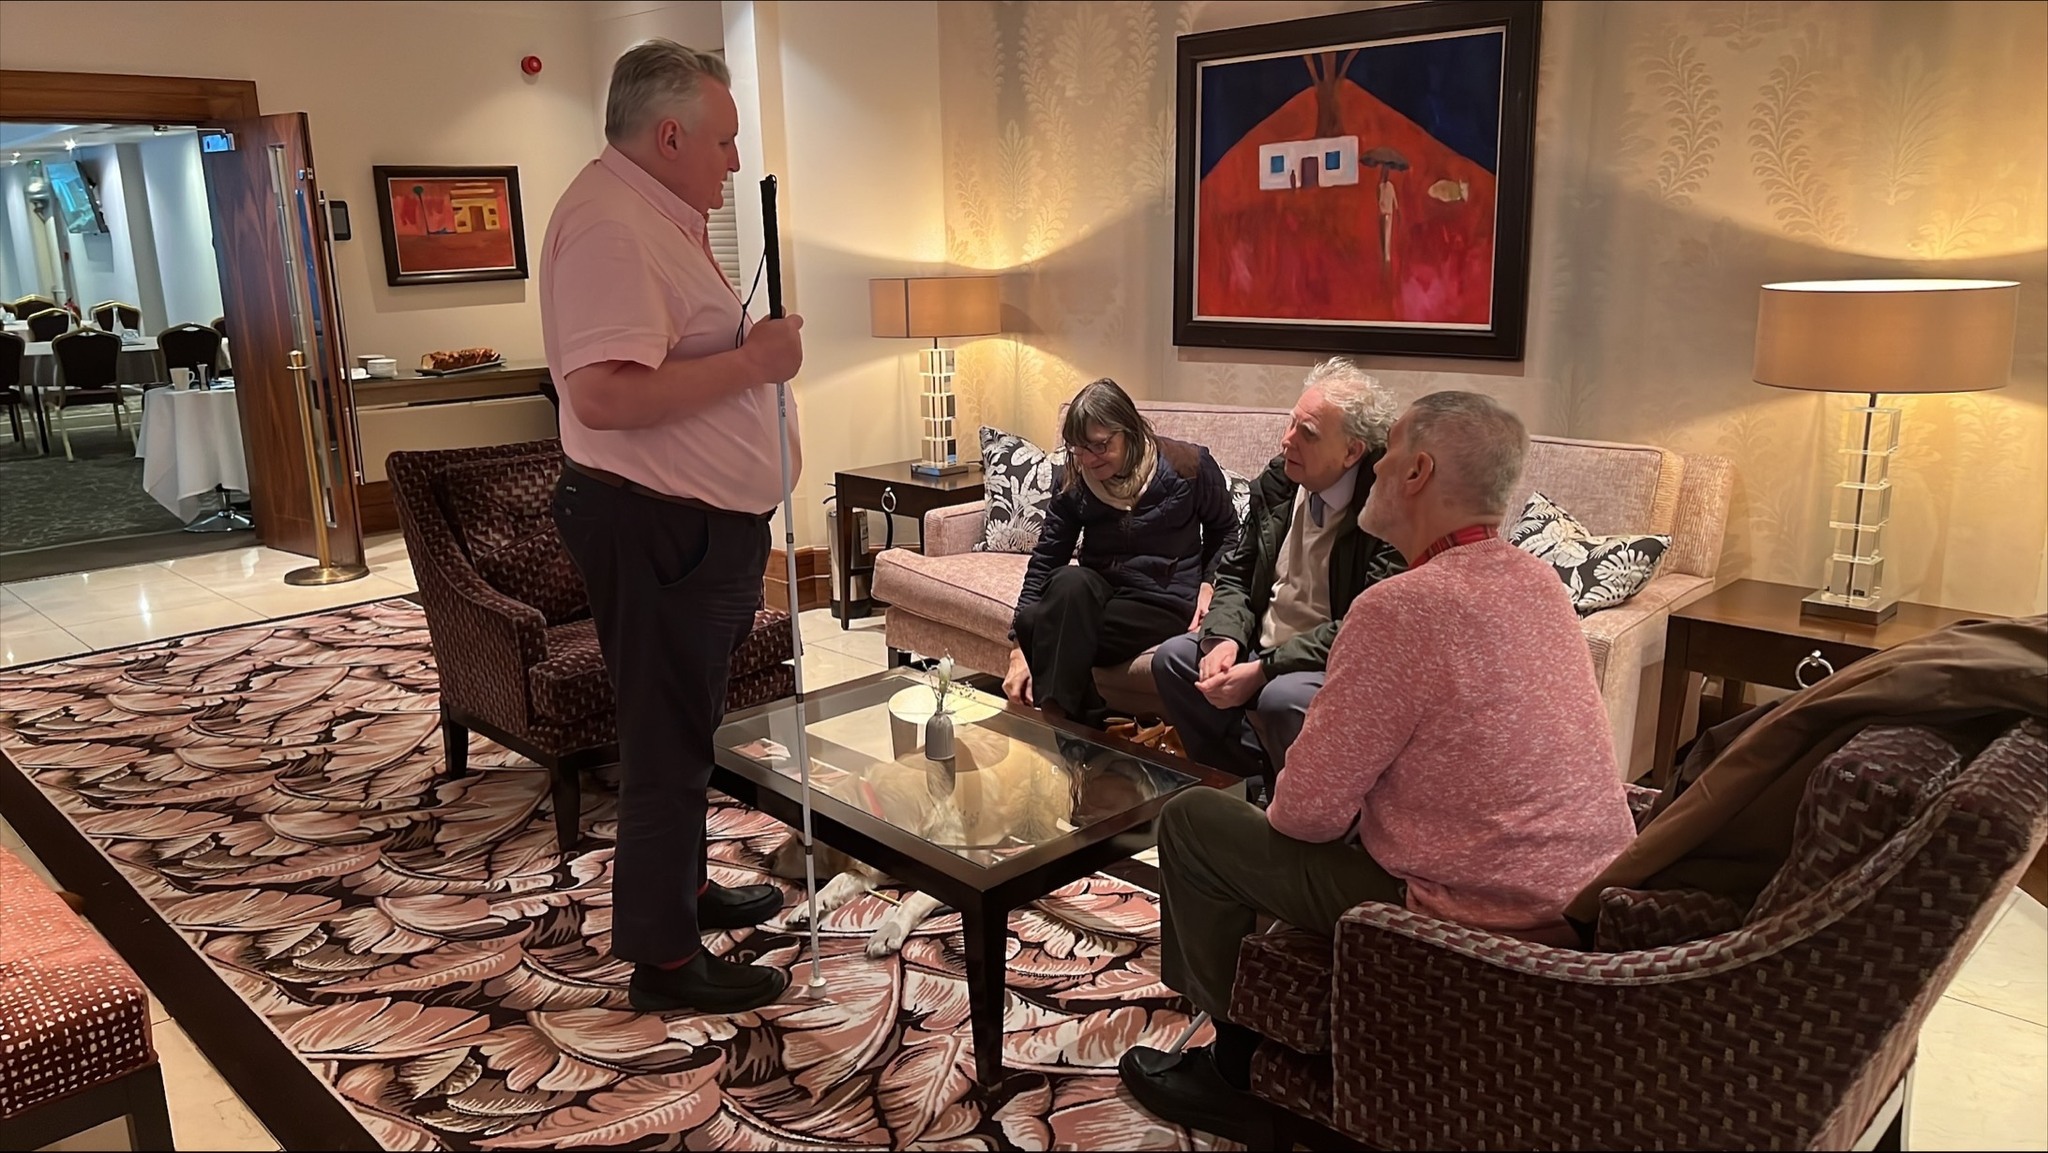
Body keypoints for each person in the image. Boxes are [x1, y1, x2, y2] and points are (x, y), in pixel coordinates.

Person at [1118, 392, 1640, 1142]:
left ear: (1419, 470)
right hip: (1582, 898)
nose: (1378, 464)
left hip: (1469, 915)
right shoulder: (1540, 585)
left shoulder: (1400, 607)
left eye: (1388, 450)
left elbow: (1304, 816)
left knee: (1195, 821)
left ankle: (1232, 1066)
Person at [542, 39, 805, 1014]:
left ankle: (682, 893)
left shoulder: (657, 215)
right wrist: (753, 366)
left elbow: (665, 358)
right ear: (669, 134)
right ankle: (660, 960)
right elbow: (606, 397)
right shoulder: (613, 226)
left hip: (689, 529)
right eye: (724, 141)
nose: (733, 162)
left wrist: (749, 352)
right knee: (664, 743)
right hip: (657, 532)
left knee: (685, 731)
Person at [1151, 358, 1404, 791]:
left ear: (1352, 451)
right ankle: (1243, 785)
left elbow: (1366, 626)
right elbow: (1236, 569)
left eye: (1307, 434)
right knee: (1175, 659)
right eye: (1291, 424)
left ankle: (1298, 804)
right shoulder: (1281, 482)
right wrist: (1223, 638)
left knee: (1281, 698)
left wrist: (1265, 670)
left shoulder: (1386, 509)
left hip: (1325, 661)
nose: (1287, 441)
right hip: (1261, 643)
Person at [1003, 378, 1240, 728]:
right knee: (1066, 582)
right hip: (1101, 594)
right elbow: (1048, 559)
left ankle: (1061, 722)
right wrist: (1017, 647)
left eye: (1099, 447)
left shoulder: (1188, 466)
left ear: (1128, 430)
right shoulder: (1075, 478)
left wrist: (1211, 583)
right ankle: (1083, 731)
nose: (1087, 459)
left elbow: (1228, 530)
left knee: (1036, 624)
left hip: (1164, 600)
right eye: (1077, 449)